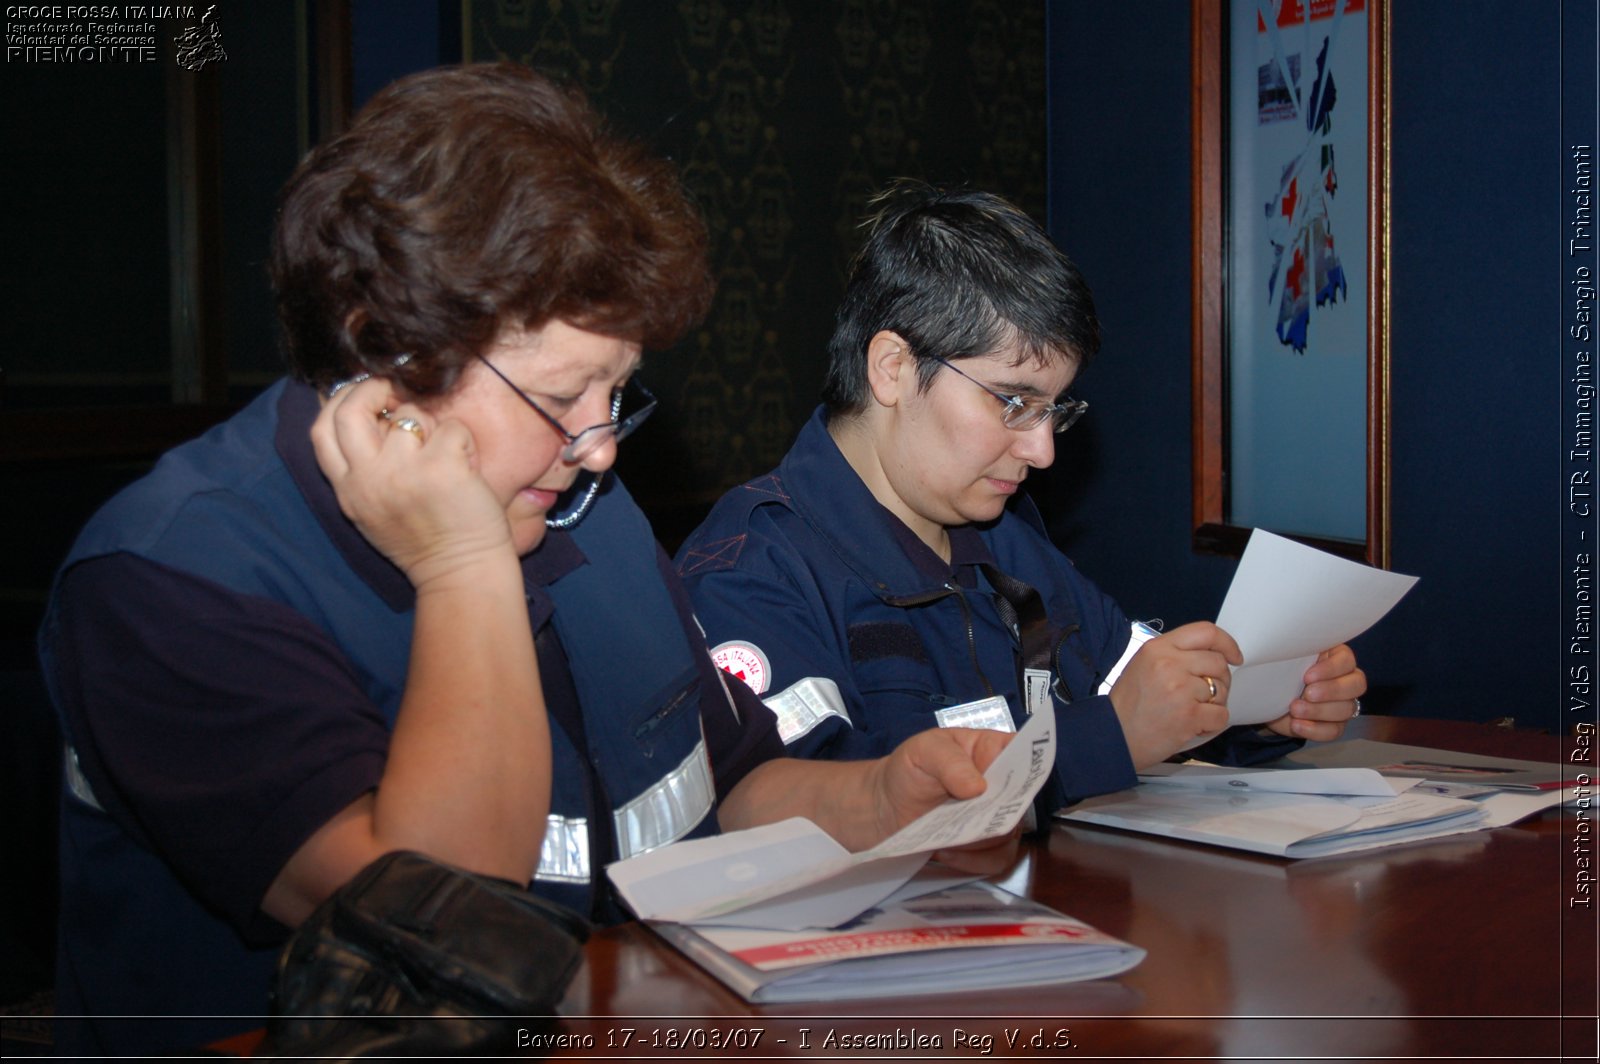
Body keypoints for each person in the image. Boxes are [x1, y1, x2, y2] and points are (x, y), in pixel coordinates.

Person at [37, 69, 1013, 1057]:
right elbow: (442, 937)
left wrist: (879, 799)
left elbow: (733, 783)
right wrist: (466, 567)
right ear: (383, 352)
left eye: (616, 393)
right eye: (561, 397)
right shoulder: (169, 583)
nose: (599, 447)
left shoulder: (580, 499)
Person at [676, 182, 1366, 812]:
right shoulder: (752, 571)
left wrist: (1246, 707)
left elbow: (1127, 685)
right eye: (1013, 402)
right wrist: (1112, 736)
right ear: (892, 369)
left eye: (1054, 411)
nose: (1043, 452)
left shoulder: (1006, 541)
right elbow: (817, 817)